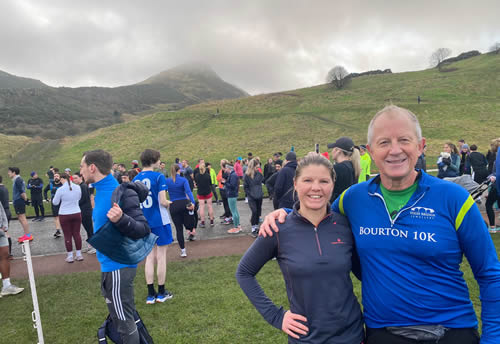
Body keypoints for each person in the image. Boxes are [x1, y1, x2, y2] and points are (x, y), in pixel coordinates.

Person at [261, 105, 500, 344]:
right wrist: (286, 213)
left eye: (404, 140)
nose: (394, 150)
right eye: (384, 142)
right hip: (383, 333)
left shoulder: (454, 199)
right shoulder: (352, 199)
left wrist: (492, 339)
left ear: (420, 146)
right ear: (370, 151)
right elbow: (318, 218)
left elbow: (490, 274)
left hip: (452, 331)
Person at [237, 153, 363, 343]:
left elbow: (366, 273)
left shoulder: (345, 225)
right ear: (295, 183)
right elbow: (244, 272)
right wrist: (276, 316)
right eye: (308, 180)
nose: (316, 188)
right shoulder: (277, 228)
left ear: (332, 185)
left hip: (351, 335)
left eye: (323, 181)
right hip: (306, 338)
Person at [80, 149, 150, 343]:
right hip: (109, 266)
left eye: (82, 166)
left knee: (125, 323)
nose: (81, 171)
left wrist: (121, 220)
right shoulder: (100, 190)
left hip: (118, 266)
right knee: (121, 320)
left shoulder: (121, 192)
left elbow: (143, 229)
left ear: (92, 167)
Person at [133, 149, 174, 304]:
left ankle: (151, 294)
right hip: (159, 220)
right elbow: (163, 201)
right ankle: (162, 293)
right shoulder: (158, 176)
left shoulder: (136, 178)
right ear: (154, 160)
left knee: (149, 257)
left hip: (143, 221)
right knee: (161, 256)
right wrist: (170, 203)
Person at [52, 172, 83, 263]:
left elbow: (55, 202)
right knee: (77, 234)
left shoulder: (60, 189)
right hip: (76, 212)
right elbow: (79, 198)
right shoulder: (78, 187)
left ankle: (70, 256)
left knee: (67, 235)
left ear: (62, 179)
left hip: (64, 214)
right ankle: (79, 254)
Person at [166, 164, 196, 257]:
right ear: (179, 170)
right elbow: (188, 192)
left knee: (179, 229)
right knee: (189, 221)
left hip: (173, 205)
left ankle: (183, 250)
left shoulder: (167, 181)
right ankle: (191, 230)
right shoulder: (183, 180)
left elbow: (164, 192)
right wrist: (193, 202)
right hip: (184, 203)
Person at [0, 204, 24, 297]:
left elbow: (1, 209)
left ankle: (6, 286)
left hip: (1, 231)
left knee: (5, 255)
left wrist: (5, 226)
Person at [327, 137, 361, 202]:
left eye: (333, 149)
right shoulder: (352, 166)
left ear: (338, 151)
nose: (332, 151)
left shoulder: (339, 168)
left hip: (336, 207)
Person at [72, 172, 95, 254]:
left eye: (75, 178)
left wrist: (74, 203)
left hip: (86, 211)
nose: (74, 180)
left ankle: (94, 247)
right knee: (87, 229)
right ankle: (90, 245)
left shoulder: (83, 186)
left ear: (80, 177)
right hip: (83, 210)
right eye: (73, 178)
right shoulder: (81, 186)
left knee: (89, 229)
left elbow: (83, 199)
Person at [7, 167, 32, 243]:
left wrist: (26, 200)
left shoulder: (18, 180)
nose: (8, 173)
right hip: (18, 201)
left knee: (22, 218)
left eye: (9, 172)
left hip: (19, 201)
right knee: (20, 218)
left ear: (14, 172)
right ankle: (26, 234)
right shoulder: (17, 179)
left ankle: (28, 236)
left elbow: (22, 192)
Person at [244, 159, 264, 237]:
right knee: (254, 211)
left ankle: (256, 226)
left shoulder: (259, 174)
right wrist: (250, 194)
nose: (257, 169)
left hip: (259, 196)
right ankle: (253, 228)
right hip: (252, 197)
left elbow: (263, 181)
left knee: (258, 212)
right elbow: (246, 187)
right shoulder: (247, 176)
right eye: (256, 167)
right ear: (252, 167)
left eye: (258, 167)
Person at [194, 163, 215, 228]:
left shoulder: (197, 176)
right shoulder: (208, 176)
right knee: (210, 206)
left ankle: (203, 222)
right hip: (208, 192)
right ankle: (211, 221)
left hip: (200, 192)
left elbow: (196, 184)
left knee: (202, 207)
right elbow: (210, 183)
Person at [225, 164, 242, 234]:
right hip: (233, 194)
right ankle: (238, 225)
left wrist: (225, 182)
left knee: (233, 211)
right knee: (235, 210)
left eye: (226, 168)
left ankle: (236, 227)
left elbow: (232, 186)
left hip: (231, 195)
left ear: (229, 168)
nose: (225, 170)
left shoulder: (232, 175)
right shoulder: (233, 175)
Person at [0, 176, 13, 258]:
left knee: (4, 233)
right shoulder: (4, 188)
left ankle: (8, 253)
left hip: (2, 212)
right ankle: (9, 253)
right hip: (6, 210)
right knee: (6, 232)